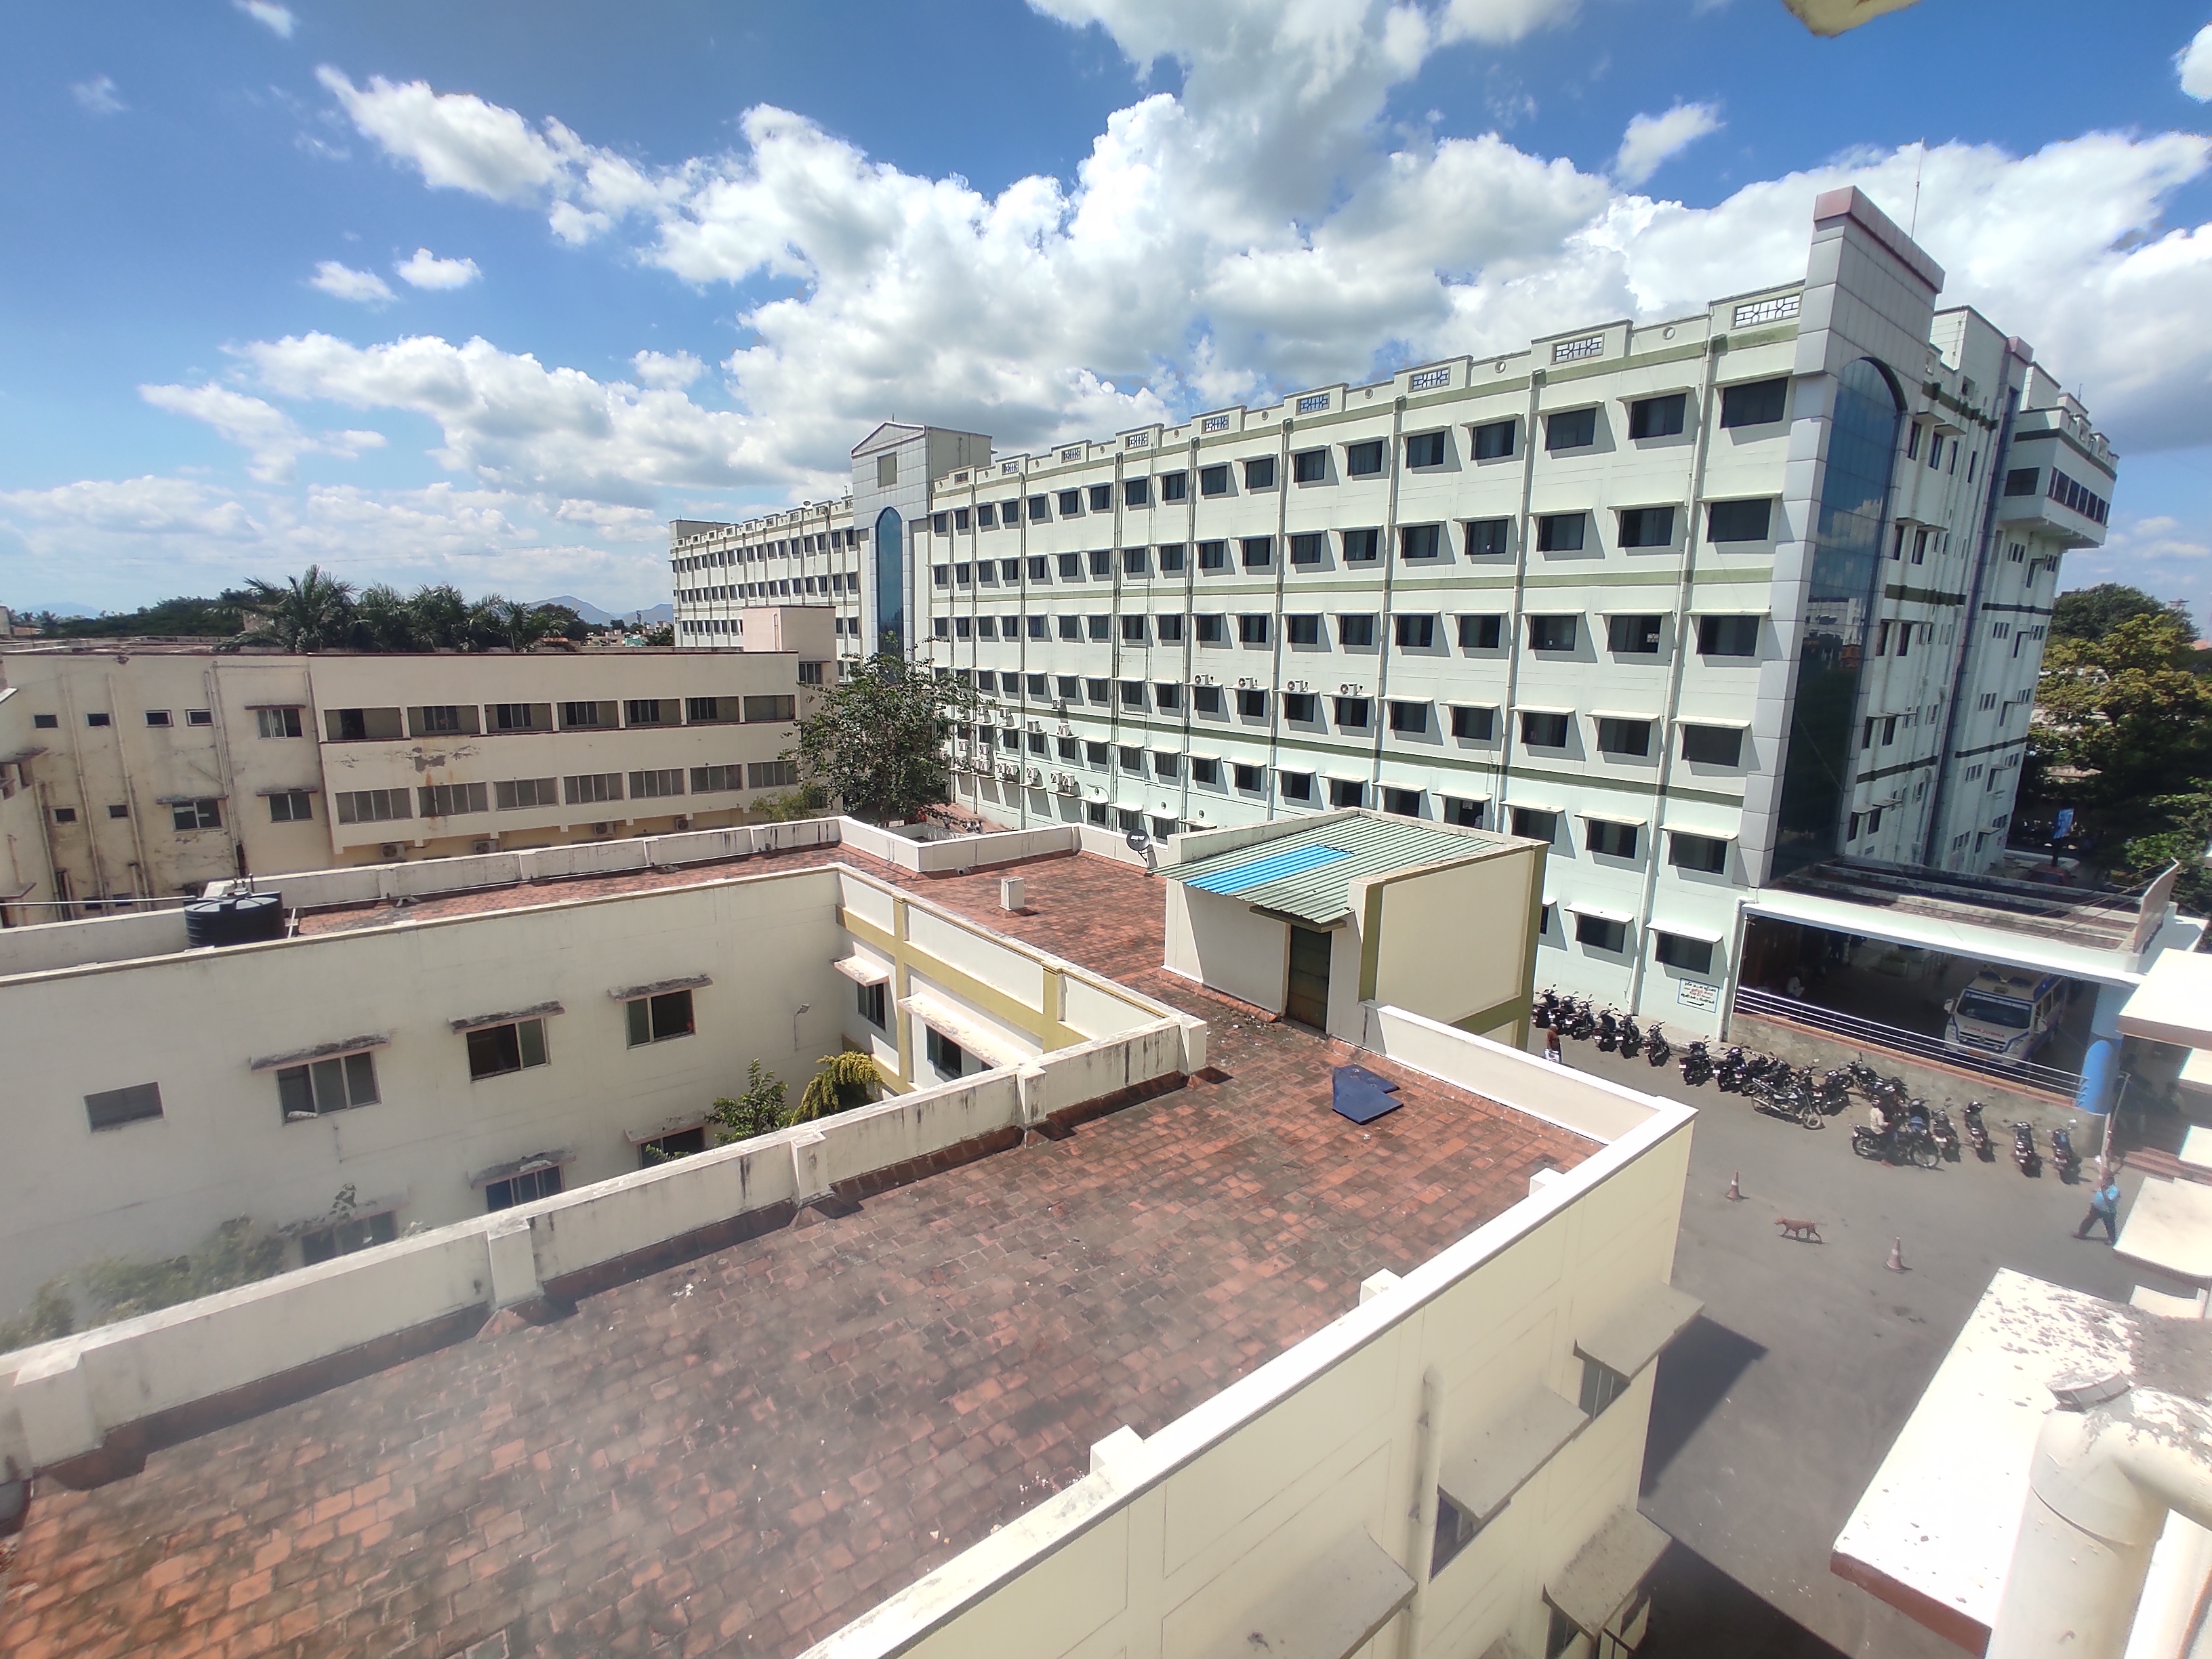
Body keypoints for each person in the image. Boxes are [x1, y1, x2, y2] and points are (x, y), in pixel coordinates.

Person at [2075, 1174, 2123, 1244]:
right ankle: (2081, 1233)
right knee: (2088, 1221)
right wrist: (2093, 1202)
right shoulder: (2103, 1187)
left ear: (2111, 1181)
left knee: (2109, 1225)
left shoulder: (2114, 1190)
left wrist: (2103, 1191)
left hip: (2107, 1211)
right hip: (2096, 1208)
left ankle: (2111, 1239)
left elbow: (2109, 1200)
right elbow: (2098, 1195)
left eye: (2106, 1180)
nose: (2104, 1182)